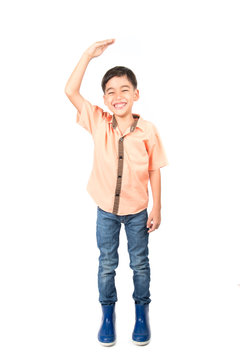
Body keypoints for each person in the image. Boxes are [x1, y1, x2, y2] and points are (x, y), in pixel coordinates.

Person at [64, 39, 169, 346]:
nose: (117, 96)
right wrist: (87, 55)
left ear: (136, 95)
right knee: (107, 263)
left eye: (124, 90)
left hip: (138, 212)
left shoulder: (148, 129)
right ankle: (107, 315)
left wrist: (157, 208)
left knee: (140, 264)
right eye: (110, 91)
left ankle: (141, 313)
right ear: (105, 99)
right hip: (105, 212)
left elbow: (154, 169)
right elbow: (70, 92)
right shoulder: (98, 120)